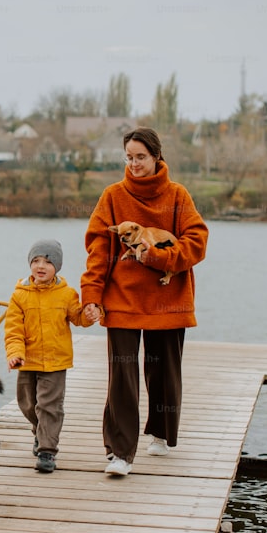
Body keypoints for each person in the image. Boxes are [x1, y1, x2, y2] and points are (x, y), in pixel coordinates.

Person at [81, 127, 208, 477]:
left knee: (164, 371)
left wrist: (156, 257)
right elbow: (98, 251)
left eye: (140, 157)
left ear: (156, 156)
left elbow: (197, 243)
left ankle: (161, 432)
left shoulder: (178, 196)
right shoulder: (112, 197)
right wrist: (91, 296)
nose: (134, 164)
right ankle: (120, 452)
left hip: (168, 299)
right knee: (122, 374)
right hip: (121, 299)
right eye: (129, 157)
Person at [5, 239, 93, 473]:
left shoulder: (66, 294)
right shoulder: (19, 295)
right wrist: (15, 354)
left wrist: (90, 314)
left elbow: (79, 318)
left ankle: (47, 451)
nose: (40, 266)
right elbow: (13, 330)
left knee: (49, 406)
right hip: (27, 360)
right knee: (28, 405)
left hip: (55, 362)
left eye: (47, 261)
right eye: (35, 261)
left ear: (57, 266)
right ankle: (39, 430)